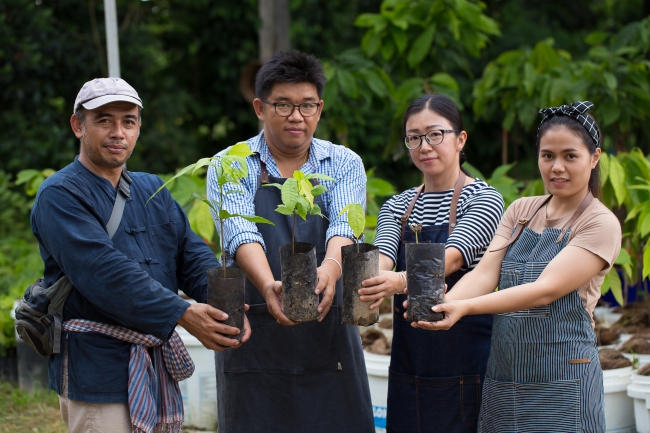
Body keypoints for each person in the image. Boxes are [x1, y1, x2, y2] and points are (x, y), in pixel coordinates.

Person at [30, 77, 250, 433]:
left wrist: (227, 305)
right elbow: (104, 272)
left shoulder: (152, 188)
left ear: (138, 128)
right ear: (78, 125)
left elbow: (190, 255)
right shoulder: (59, 195)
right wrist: (182, 312)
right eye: (104, 120)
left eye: (128, 121)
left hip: (154, 360)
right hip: (96, 368)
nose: (118, 131)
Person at [414, 101, 621, 432]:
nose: (557, 167)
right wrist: (444, 303)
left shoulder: (600, 223)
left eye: (570, 156)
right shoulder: (522, 210)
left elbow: (544, 291)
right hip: (505, 381)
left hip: (564, 382)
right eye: (547, 155)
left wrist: (463, 307)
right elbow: (486, 272)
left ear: (594, 158)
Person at [207, 51, 374, 433]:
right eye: (283, 104)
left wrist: (330, 270)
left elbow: (346, 224)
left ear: (320, 108)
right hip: (255, 328)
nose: (296, 116)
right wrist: (267, 285)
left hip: (326, 325)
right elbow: (240, 232)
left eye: (307, 105)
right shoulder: (231, 163)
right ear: (260, 108)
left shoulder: (343, 162)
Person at [359, 94, 504, 432]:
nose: (424, 146)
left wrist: (397, 282)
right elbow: (383, 255)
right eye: (414, 137)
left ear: (460, 139)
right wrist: (372, 283)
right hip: (411, 360)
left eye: (435, 134)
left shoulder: (483, 198)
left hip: (466, 359)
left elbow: (452, 256)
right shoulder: (397, 205)